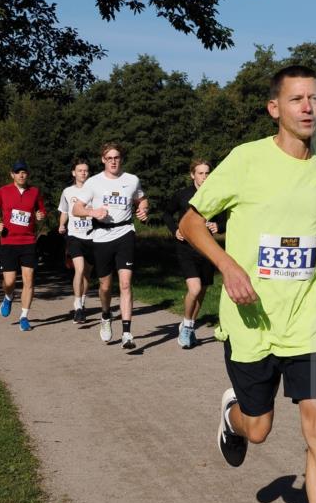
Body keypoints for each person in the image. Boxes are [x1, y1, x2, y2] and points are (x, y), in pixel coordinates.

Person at [179, 65, 316, 503]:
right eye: (296, 98)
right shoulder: (246, 160)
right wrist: (229, 266)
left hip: (311, 322)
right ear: (274, 109)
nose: (308, 106)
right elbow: (189, 223)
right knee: (259, 429)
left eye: (315, 98)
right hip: (253, 320)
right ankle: (232, 417)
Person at [72, 142, 149, 350]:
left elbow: (141, 199)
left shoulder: (131, 180)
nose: (113, 161)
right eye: (109, 158)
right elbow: (76, 208)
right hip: (101, 236)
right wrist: (92, 212)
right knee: (105, 286)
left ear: (120, 159)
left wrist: (143, 209)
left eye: (116, 158)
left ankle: (127, 333)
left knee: (125, 283)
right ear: (103, 160)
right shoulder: (93, 182)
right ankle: (106, 315)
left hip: (125, 233)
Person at [163, 159, 224, 349]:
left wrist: (218, 226)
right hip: (186, 248)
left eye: (207, 173)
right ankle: (188, 327)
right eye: (200, 173)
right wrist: (175, 230)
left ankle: (188, 324)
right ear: (192, 175)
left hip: (206, 249)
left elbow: (226, 218)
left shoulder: (217, 195)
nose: (204, 177)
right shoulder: (183, 195)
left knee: (202, 291)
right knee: (195, 289)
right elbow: (167, 213)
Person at [0, 160, 46, 332]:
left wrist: (40, 215)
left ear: (27, 174)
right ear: (12, 174)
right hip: (8, 242)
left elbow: (42, 210)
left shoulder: (34, 192)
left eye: (24, 172)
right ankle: (8, 296)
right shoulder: (3, 191)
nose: (21, 175)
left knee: (29, 280)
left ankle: (24, 316)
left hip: (28, 242)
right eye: (18, 172)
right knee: (10, 281)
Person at [58, 158, 102, 324]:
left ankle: (82, 304)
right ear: (73, 173)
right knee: (79, 268)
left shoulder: (95, 190)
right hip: (74, 235)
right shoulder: (68, 192)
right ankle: (77, 307)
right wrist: (62, 224)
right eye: (80, 170)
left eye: (86, 170)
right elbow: (64, 211)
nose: (83, 173)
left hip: (92, 235)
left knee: (87, 273)